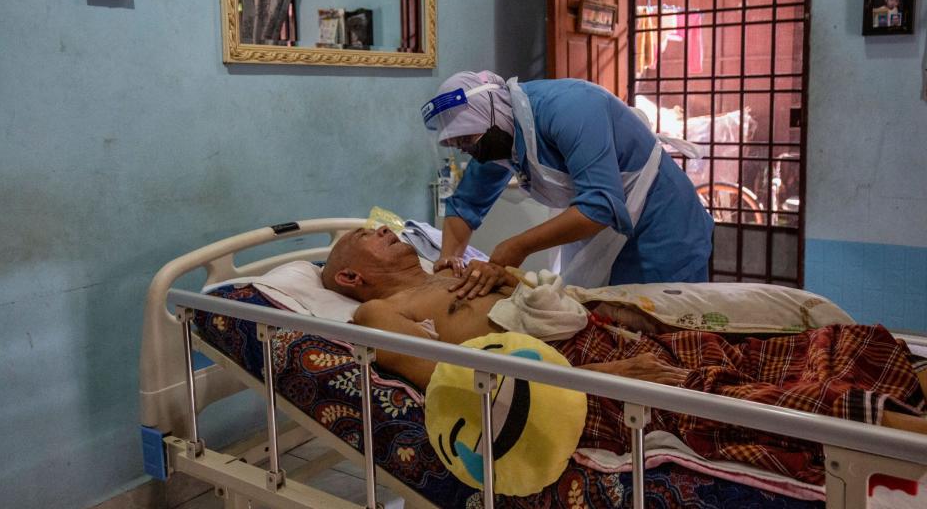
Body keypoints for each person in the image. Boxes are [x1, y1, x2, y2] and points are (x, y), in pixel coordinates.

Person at [321, 225, 927, 479]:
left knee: (826, 344)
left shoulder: (452, 271)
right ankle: (907, 436)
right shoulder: (380, 315)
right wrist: (609, 373)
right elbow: (461, 379)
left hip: (608, 339)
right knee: (747, 401)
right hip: (582, 379)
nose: (388, 231)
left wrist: (511, 282)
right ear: (351, 278)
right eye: (367, 236)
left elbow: (538, 299)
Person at [421, 71, 714, 300]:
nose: (465, 150)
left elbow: (599, 206)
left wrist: (515, 247)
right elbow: (465, 205)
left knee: (660, 325)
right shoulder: (496, 138)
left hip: (663, 222)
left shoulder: (570, 107)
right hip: (603, 230)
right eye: (457, 144)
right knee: (603, 322)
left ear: (491, 115)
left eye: (467, 140)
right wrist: (449, 259)